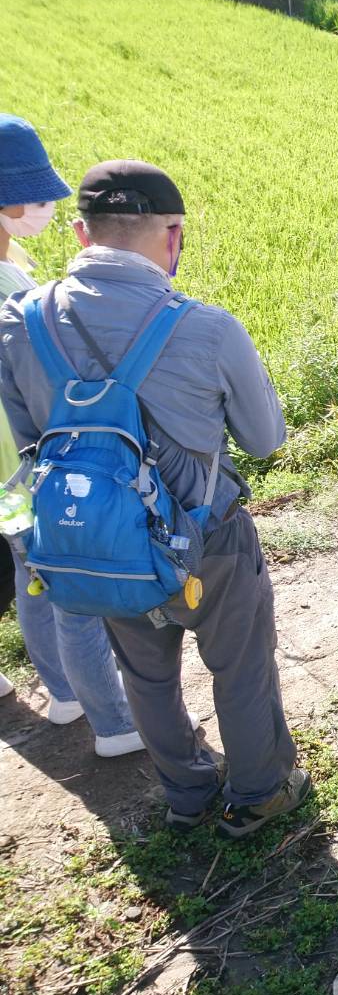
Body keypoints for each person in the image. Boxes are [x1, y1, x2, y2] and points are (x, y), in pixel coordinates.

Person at [0, 159, 305, 838]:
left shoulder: (21, 323)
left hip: (101, 542)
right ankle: (258, 793)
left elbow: (33, 442)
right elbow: (265, 438)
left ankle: (186, 791)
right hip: (209, 543)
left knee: (146, 675)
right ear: (173, 235)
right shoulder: (207, 327)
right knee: (242, 666)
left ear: (81, 233)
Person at [0, 116, 161, 759]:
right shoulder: (7, 285)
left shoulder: (12, 263)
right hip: (19, 462)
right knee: (59, 576)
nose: (46, 209)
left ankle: (64, 693)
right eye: (34, 199)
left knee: (31, 567)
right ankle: (111, 722)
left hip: (12, 463)